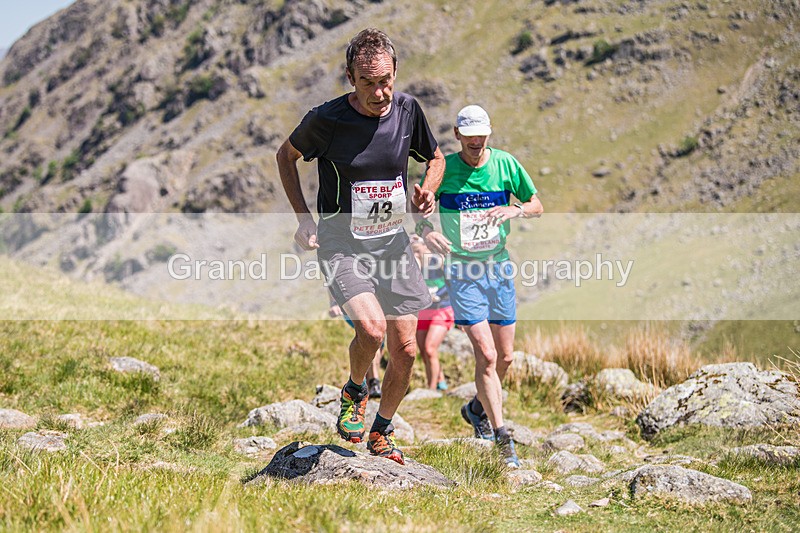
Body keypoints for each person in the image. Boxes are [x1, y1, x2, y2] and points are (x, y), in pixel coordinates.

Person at [276, 28, 445, 465]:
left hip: (393, 245)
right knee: (371, 331)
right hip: (341, 243)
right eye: (368, 83)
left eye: (386, 80)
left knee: (406, 348)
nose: (380, 92)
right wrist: (302, 218)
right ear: (350, 77)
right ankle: (354, 390)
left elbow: (437, 157)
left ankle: (381, 432)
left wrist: (426, 189)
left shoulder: (408, 110)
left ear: (395, 73)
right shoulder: (327, 119)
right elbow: (285, 156)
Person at [419, 104, 543, 468]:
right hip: (462, 273)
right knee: (486, 356)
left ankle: (476, 408)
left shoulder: (505, 164)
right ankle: (501, 435)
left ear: (489, 133)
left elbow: (537, 204)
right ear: (457, 135)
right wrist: (428, 233)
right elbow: (418, 215)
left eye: (481, 135)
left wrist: (516, 210)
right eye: (468, 135)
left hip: (499, 270)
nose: (475, 141)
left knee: (505, 357)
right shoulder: (445, 170)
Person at [410, 236, 453, 390]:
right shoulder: (410, 266)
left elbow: (452, 280)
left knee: (430, 348)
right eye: (412, 252)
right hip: (422, 311)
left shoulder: (437, 261)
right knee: (424, 350)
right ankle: (441, 382)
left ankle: (431, 389)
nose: (415, 255)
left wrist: (438, 295)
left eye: (417, 251)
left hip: (442, 308)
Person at [328, 297, 383, 398]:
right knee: (371, 336)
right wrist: (334, 303)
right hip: (356, 300)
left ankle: (367, 384)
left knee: (378, 340)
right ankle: (373, 381)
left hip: (381, 301)